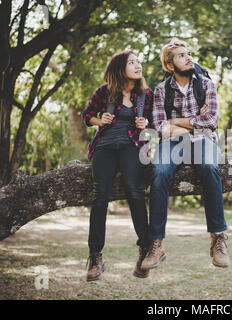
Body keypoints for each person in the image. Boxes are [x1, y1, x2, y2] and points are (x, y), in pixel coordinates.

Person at [141, 39, 230, 271]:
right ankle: (157, 244)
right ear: (170, 66)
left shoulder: (207, 85)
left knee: (209, 167)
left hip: (203, 141)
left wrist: (177, 121)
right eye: (182, 55)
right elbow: (160, 127)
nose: (189, 58)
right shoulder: (161, 91)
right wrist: (192, 124)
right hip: (172, 143)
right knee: (159, 172)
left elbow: (211, 122)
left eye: (188, 54)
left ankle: (218, 238)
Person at [81, 50, 153, 281]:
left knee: (134, 190)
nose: (137, 65)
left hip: (132, 146)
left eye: (138, 62)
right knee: (99, 196)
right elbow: (87, 115)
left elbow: (154, 125)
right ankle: (95, 256)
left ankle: (145, 249)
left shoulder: (145, 95)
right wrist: (99, 119)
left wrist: (146, 123)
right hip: (104, 146)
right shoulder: (104, 91)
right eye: (132, 62)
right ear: (120, 67)